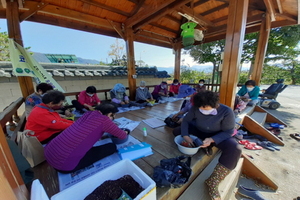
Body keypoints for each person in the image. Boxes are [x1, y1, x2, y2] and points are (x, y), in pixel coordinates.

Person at [173, 91, 241, 200]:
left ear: (216, 105)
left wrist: (212, 139)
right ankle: (203, 143)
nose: (203, 110)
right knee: (177, 131)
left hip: (217, 134)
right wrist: (185, 135)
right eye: (201, 108)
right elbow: (186, 120)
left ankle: (213, 181)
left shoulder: (226, 111)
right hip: (199, 130)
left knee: (235, 148)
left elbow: (228, 131)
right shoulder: (195, 108)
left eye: (206, 108)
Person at [44, 103, 128, 173]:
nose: (112, 119)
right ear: (110, 114)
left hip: (49, 154)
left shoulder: (88, 113)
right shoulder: (105, 120)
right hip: (64, 166)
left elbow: (89, 130)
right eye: (113, 117)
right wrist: (126, 132)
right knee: (111, 147)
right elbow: (122, 136)